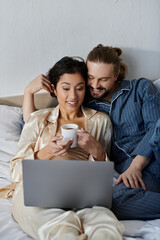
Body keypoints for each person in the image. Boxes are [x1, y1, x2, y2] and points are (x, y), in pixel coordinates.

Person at [23, 45, 160, 221]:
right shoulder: (83, 100)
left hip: (151, 158)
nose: (95, 85)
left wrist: (136, 165)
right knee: (108, 202)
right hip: (127, 173)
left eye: (103, 79)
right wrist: (28, 92)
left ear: (116, 75)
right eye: (90, 77)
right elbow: (33, 121)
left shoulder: (140, 88)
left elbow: (155, 127)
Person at [3, 57, 124, 240]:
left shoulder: (100, 121)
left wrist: (97, 152)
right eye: (66, 88)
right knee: (59, 230)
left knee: (106, 226)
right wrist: (46, 152)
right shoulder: (37, 120)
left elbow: (104, 177)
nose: (73, 96)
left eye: (80, 88)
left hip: (82, 191)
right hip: (37, 189)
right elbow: (15, 171)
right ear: (54, 88)